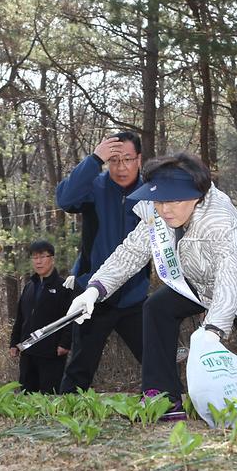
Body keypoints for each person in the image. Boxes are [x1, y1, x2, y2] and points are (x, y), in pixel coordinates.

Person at [68, 152, 237, 420]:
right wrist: (94, 290)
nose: (166, 209)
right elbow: (130, 253)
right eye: (160, 200)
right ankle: (163, 398)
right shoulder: (158, 212)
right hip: (199, 281)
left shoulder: (222, 222)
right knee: (157, 307)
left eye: (174, 200)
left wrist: (212, 331)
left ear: (197, 194)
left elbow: (231, 279)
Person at [55, 131, 150, 393]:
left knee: (154, 358)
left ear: (139, 159)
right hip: (93, 296)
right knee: (79, 367)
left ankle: (165, 405)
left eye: (128, 160)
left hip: (134, 294)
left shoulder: (151, 193)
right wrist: (95, 159)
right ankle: (68, 414)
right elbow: (65, 200)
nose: (121, 168)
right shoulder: (94, 186)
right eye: (114, 160)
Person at [9, 240, 73, 393]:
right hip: (27, 349)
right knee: (26, 394)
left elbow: (70, 318)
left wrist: (65, 343)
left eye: (42, 257)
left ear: (52, 259)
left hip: (51, 351)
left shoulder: (63, 287)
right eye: (34, 257)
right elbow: (21, 317)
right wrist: (14, 342)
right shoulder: (29, 286)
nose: (38, 262)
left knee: (50, 394)